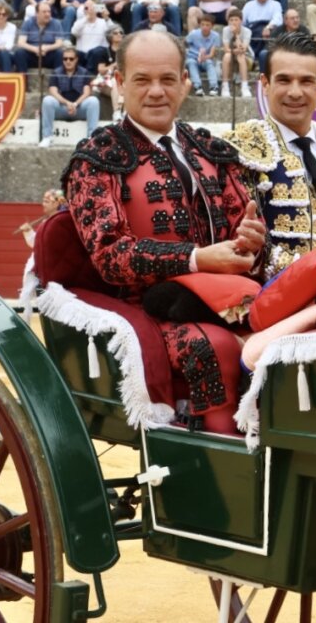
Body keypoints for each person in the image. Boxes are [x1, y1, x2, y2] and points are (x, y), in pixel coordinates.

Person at [61, 30, 267, 433]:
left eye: (167, 79)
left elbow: (246, 229)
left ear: (185, 82)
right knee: (216, 349)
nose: (156, 92)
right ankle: (225, 479)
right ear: (119, 83)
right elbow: (111, 256)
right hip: (145, 311)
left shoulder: (210, 149)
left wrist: (252, 243)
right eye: (142, 80)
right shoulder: (98, 158)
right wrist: (195, 258)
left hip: (225, 299)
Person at [226, 31, 316, 279]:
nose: (295, 92)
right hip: (271, 299)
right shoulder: (240, 149)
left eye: (305, 81)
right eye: (284, 80)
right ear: (265, 84)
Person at [40, 47, 99, 146]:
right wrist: (67, 103)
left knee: (93, 101)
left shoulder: (84, 72)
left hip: (79, 108)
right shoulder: (56, 72)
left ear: (76, 59)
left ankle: (91, 139)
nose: (68, 61)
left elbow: (87, 92)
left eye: (71, 59)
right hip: (62, 108)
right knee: (47, 100)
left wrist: (75, 104)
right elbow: (53, 91)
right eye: (65, 59)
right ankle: (47, 137)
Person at [17, 0, 67, 72]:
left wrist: (47, 48)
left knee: (59, 53)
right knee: (19, 53)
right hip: (32, 54)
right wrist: (35, 49)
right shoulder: (28, 23)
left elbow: (59, 43)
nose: (47, 14)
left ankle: (57, 81)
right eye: (44, 12)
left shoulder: (56, 23)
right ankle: (23, 80)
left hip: (49, 54)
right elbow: (21, 43)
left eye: (49, 12)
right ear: (37, 13)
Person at [185, 13, 223, 94]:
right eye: (202, 25)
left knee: (209, 63)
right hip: (193, 57)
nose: (204, 27)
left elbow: (212, 54)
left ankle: (214, 86)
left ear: (212, 26)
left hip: (206, 57)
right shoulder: (194, 33)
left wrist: (204, 57)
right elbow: (185, 42)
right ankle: (197, 86)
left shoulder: (215, 36)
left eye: (207, 25)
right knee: (191, 63)